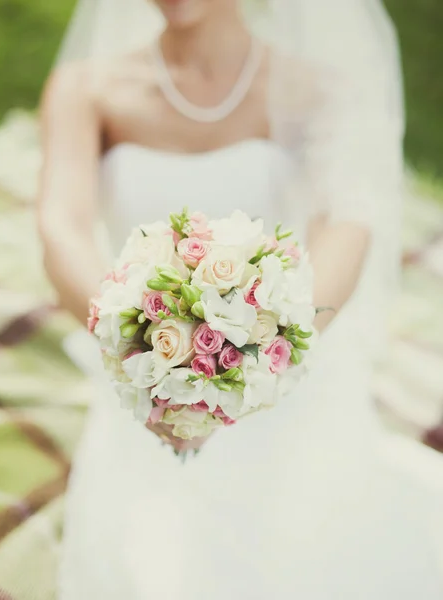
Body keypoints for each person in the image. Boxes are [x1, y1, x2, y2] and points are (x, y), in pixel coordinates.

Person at [37, 0, 442, 597]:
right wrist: (146, 360)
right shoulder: (86, 89)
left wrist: (267, 353)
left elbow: (345, 226)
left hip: (286, 373)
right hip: (144, 377)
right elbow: (61, 228)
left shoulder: (317, 87)